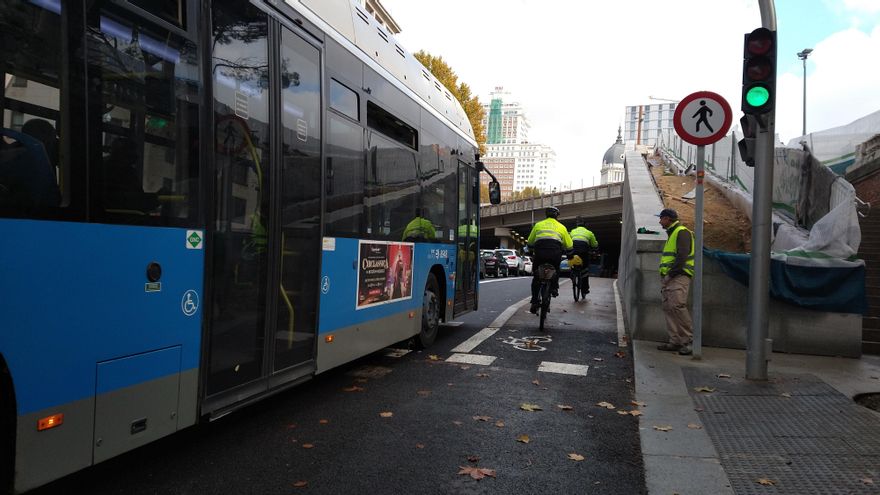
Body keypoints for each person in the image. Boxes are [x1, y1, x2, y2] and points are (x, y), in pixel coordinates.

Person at [655, 208, 695, 355]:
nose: (660, 221)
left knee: (677, 306)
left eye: (661, 218)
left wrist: (670, 275)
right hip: (670, 277)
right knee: (669, 307)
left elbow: (682, 256)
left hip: (678, 276)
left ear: (667, 219)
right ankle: (675, 341)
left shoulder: (682, 232)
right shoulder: (673, 233)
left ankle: (689, 341)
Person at [526, 206, 572, 314]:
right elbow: (569, 245)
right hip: (554, 254)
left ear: (546, 214)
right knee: (556, 270)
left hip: (540, 254)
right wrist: (569, 252)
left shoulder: (538, 225)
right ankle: (554, 288)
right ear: (557, 216)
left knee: (536, 276)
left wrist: (530, 248)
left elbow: (530, 242)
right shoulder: (562, 227)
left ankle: (534, 301)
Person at [569, 217, 598, 294]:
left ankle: (572, 273)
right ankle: (585, 289)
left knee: (572, 261)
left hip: (574, 249)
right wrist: (595, 249)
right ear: (585, 225)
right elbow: (594, 244)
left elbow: (568, 241)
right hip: (584, 251)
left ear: (577, 225)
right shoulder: (589, 233)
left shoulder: (572, 231)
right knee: (585, 269)